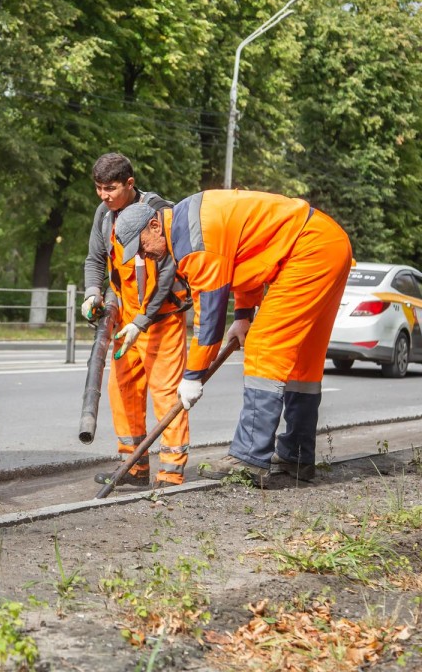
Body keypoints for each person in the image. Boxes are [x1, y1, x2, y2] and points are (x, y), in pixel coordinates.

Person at [112, 189, 353, 487]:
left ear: (154, 225)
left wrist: (192, 376)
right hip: (327, 243)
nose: (143, 254)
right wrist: (242, 316)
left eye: (141, 246)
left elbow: (209, 323)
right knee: (303, 362)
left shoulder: (193, 245)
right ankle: (297, 455)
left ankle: (250, 457)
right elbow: (246, 260)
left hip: (306, 252)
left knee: (265, 348)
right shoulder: (189, 221)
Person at [82, 153, 191, 489]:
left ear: (130, 183)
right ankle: (134, 466)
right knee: (123, 391)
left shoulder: (160, 217)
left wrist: (142, 321)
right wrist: (92, 293)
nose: (103, 195)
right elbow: (95, 260)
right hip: (125, 320)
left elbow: (169, 274)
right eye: (98, 188)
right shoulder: (104, 215)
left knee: (165, 394)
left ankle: (170, 474)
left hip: (162, 321)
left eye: (110, 188)